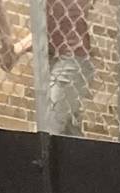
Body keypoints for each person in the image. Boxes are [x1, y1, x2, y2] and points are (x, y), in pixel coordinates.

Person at [44, 0, 94, 135]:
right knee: (69, 130)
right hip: (62, 62)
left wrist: (15, 50)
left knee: (50, 124)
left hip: (71, 62)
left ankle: (41, 156)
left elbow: (42, 30)